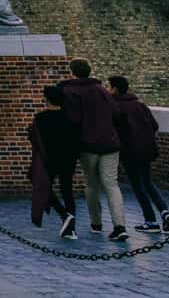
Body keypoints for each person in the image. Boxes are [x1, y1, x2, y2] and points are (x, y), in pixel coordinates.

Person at [59, 58, 128, 241]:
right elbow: (116, 113)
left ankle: (96, 223)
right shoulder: (102, 90)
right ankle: (119, 225)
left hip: (88, 144)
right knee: (112, 185)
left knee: (92, 184)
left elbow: (72, 119)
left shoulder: (69, 91)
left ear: (72, 72)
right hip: (110, 143)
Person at [109, 76, 169, 233]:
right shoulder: (140, 105)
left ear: (115, 89)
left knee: (138, 186)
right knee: (148, 183)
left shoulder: (115, 107)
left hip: (128, 151)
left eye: (109, 86)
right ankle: (165, 211)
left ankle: (151, 221)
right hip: (145, 149)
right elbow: (154, 125)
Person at [30, 83, 79, 239]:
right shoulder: (70, 119)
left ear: (47, 100)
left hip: (48, 159)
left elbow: (34, 138)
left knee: (43, 187)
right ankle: (71, 229)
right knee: (67, 191)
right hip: (68, 158)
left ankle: (64, 214)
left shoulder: (40, 118)